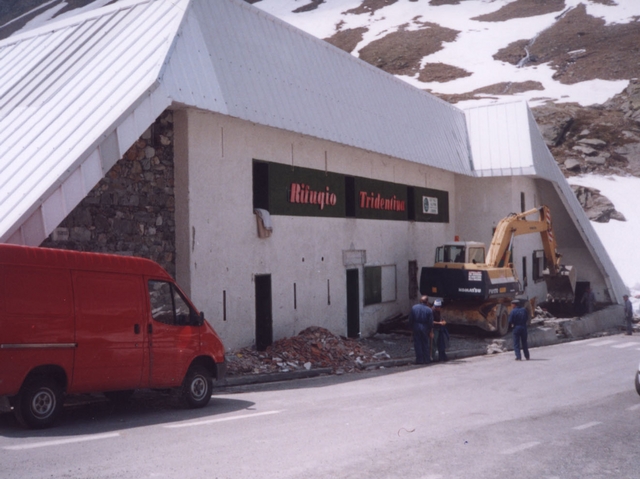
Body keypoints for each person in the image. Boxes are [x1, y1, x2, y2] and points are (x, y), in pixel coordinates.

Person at [408, 295, 434, 364]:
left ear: (420, 301)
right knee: (425, 343)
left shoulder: (414, 308)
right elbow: (430, 321)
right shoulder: (429, 310)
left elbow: (411, 319)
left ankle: (419, 360)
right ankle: (427, 359)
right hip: (425, 327)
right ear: (427, 301)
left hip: (416, 326)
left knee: (417, 343)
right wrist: (430, 330)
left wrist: (410, 327)